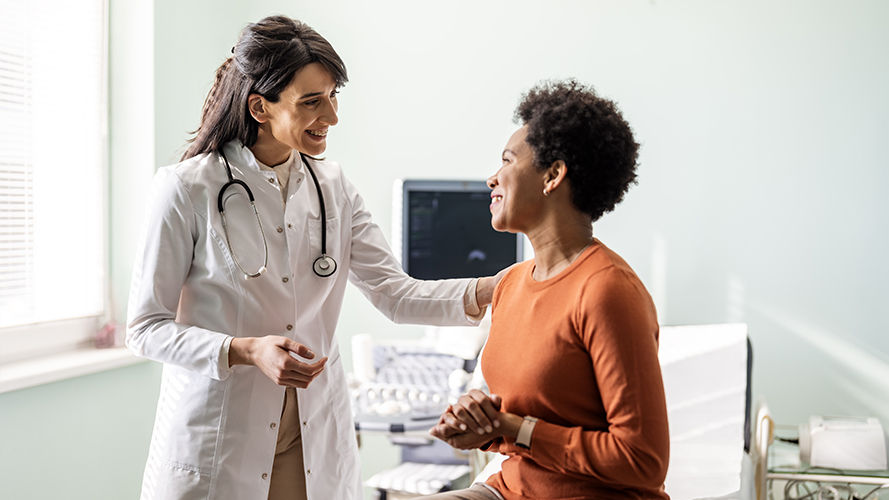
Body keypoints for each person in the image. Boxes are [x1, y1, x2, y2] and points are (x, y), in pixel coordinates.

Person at [126, 16, 502, 500]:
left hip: (312, 435)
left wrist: (504, 286)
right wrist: (246, 350)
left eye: (332, 96)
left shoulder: (334, 187)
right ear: (260, 107)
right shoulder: (186, 188)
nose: (332, 115)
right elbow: (145, 328)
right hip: (222, 439)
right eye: (312, 101)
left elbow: (395, 293)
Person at [427, 80, 670, 499]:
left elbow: (642, 460)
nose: (492, 178)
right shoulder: (511, 284)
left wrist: (513, 430)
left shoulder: (607, 291)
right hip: (513, 489)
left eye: (507, 160)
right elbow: (521, 416)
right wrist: (480, 425)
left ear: (553, 175)